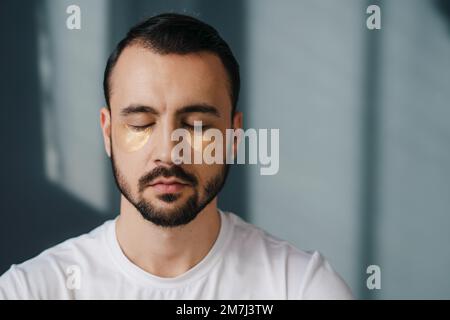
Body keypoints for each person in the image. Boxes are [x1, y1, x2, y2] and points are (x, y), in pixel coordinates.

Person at [0, 13, 352, 299]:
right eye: (141, 123)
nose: (169, 152)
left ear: (233, 134)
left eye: (197, 126)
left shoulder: (302, 288)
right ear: (108, 132)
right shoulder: (29, 292)